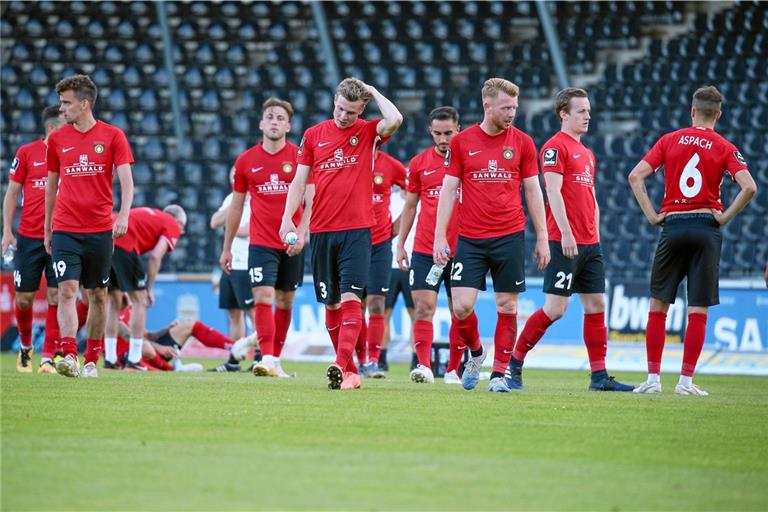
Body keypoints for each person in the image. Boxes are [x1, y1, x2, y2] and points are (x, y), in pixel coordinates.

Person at [628, 85, 756, 396]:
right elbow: (749, 187)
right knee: (697, 309)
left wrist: (652, 215)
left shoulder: (669, 140)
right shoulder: (725, 146)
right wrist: (724, 217)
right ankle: (685, 382)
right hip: (705, 227)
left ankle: (653, 380)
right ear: (719, 115)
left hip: (672, 225)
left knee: (658, 306)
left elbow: (635, 176)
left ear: (692, 111)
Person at [507, 88, 634, 392]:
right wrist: (565, 232)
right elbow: (553, 192)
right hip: (563, 241)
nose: (588, 116)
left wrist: (596, 234)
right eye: (581, 111)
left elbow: (591, 197)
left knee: (596, 304)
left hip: (590, 243)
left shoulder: (587, 153)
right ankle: (514, 362)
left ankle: (599, 376)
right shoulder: (554, 148)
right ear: (564, 114)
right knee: (555, 309)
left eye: (588, 111)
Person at [280, 77, 403, 390]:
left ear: (362, 110)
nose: (343, 116)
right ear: (334, 102)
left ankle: (341, 362)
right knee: (331, 304)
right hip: (322, 231)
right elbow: (298, 181)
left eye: (351, 111)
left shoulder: (366, 132)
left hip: (357, 231)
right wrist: (287, 219)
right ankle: (349, 372)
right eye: (340, 108)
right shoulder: (313, 135)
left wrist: (374, 91)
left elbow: (396, 119)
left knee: (351, 298)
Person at [433, 78, 550, 393]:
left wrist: (542, 236)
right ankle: (476, 353)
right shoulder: (461, 142)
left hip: (509, 236)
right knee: (461, 306)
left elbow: (533, 190)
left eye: (514, 107)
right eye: (505, 107)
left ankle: (499, 374)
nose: (512, 113)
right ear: (488, 106)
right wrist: (439, 237)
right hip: (470, 238)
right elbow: (448, 190)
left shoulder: (524, 142)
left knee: (508, 306)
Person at [44, 74, 134, 378]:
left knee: (97, 295)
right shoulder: (57, 139)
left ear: (84, 104)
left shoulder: (113, 136)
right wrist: (47, 228)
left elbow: (126, 180)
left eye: (67, 103)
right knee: (67, 290)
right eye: (60, 103)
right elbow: (51, 186)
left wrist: (123, 215)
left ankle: (92, 359)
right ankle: (69, 353)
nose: (62, 109)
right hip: (66, 228)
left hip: (99, 230)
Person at [219, 97, 312, 379]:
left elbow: (311, 200)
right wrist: (227, 248)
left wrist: (304, 233)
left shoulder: (300, 157)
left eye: (280, 118)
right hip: (260, 242)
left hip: (292, 242)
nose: (274, 121)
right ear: (261, 123)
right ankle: (267, 358)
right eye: (270, 116)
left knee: (285, 301)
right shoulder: (246, 161)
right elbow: (235, 207)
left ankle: (276, 359)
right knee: (263, 295)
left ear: (288, 125)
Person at [397, 106, 466, 385]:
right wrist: (401, 243)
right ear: (430, 132)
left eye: (448, 132)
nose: (443, 139)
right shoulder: (418, 164)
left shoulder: (469, 161)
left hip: (463, 248)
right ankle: (424, 366)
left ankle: (453, 370)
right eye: (437, 133)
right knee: (424, 308)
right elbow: (410, 206)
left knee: (459, 310)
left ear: (458, 130)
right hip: (426, 248)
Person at [2, 106, 64, 373]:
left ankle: (49, 356)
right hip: (29, 238)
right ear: (52, 128)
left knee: (57, 295)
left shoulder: (70, 155)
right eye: (66, 123)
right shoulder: (27, 153)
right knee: (24, 298)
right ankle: (26, 348)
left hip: (62, 236)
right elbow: (12, 194)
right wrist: (7, 231)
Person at [103, 204, 187, 370]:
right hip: (124, 244)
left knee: (114, 302)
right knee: (140, 301)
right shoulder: (171, 224)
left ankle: (110, 360)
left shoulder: (150, 214)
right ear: (177, 221)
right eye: (182, 227)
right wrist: (148, 289)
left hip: (104, 242)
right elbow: (155, 257)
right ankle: (134, 360)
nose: (182, 232)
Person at [359, 149, 406, 377]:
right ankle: (356, 358)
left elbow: (415, 193)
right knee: (353, 305)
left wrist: (396, 227)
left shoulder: (392, 165)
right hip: (352, 243)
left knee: (377, 304)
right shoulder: (349, 161)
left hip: (380, 246)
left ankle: (374, 361)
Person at [211, 167, 254, 370]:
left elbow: (249, 230)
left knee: (254, 313)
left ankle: (262, 357)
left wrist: (232, 226)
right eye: (234, 177)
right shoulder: (231, 199)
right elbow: (214, 222)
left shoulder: (256, 199)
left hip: (247, 263)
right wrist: (235, 205)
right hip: (230, 263)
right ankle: (235, 359)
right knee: (234, 314)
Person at [382, 188, 416, 372]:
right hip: (390, 264)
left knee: (417, 315)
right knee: (383, 313)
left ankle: (417, 360)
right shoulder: (391, 198)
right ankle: (381, 359)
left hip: (414, 263)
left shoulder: (420, 199)